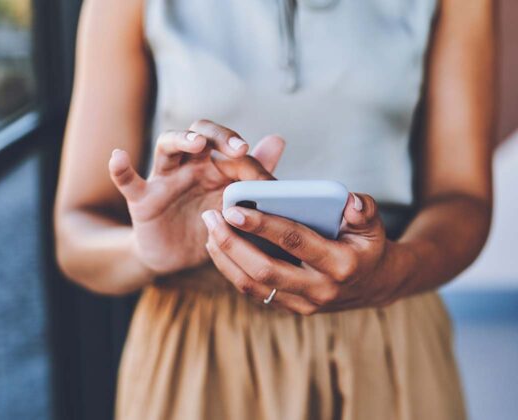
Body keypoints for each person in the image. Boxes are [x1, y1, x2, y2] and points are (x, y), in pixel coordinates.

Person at [54, 0, 495, 418]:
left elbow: (464, 199)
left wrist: (391, 273)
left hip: (388, 336)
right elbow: (76, 232)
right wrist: (145, 250)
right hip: (197, 352)